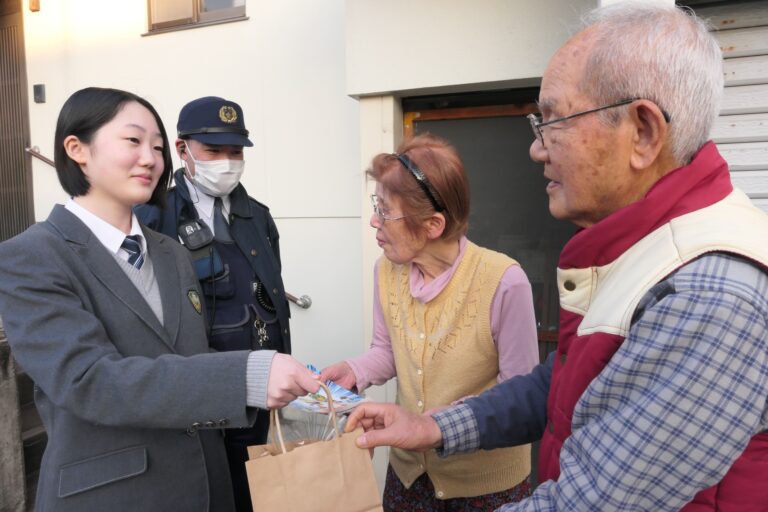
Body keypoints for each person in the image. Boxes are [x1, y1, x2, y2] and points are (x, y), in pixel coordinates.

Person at [345, 3, 768, 511]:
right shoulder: (643, 251)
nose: (537, 149)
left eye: (553, 121)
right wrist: (432, 425)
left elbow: (592, 501)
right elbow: (563, 383)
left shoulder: (708, 291)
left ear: (643, 132)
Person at [0, 87, 319, 512]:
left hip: (207, 486)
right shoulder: (31, 256)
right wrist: (247, 376)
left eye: (156, 146)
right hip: (112, 494)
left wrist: (273, 385)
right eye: (133, 141)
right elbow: (89, 380)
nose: (150, 158)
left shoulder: (170, 251)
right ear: (77, 149)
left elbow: (191, 354)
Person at [321, 134, 539, 510]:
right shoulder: (386, 271)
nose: (374, 220)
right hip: (409, 475)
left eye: (386, 211)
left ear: (433, 225)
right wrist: (353, 371)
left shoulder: (503, 280)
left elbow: (519, 394)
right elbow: (386, 351)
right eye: (377, 205)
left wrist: (432, 426)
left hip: (484, 486)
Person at [135, 96, 291, 511]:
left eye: (235, 151)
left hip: (256, 385)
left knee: (250, 484)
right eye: (214, 150)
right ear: (182, 149)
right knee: (202, 487)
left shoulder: (258, 216)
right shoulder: (152, 218)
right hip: (195, 389)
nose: (226, 161)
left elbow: (272, 293)